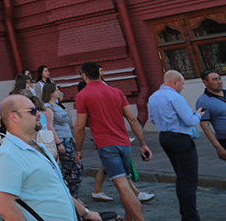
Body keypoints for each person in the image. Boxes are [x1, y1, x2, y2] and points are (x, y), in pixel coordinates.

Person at [0, 94, 104, 221]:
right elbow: (4, 206)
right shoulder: (8, 154)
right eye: (33, 111)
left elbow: (55, 186)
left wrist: (85, 213)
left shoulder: (38, 146)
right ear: (14, 117)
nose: (39, 114)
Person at [73, 61, 152, 221]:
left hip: (106, 144)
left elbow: (80, 126)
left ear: (84, 76)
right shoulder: (116, 91)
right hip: (124, 143)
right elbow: (132, 119)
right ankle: (127, 219)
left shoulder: (83, 95)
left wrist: (79, 149)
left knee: (123, 186)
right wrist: (143, 143)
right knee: (126, 183)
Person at [147, 69, 204, 221]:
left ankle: (185, 213)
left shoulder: (153, 97)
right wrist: (199, 114)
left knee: (181, 176)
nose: (183, 87)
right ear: (175, 81)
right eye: (182, 84)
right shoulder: (174, 97)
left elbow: (152, 119)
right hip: (180, 139)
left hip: (164, 137)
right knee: (189, 179)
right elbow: (190, 120)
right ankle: (190, 216)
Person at [41, 83, 82, 196]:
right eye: (56, 89)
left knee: (74, 167)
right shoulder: (48, 107)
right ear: (50, 92)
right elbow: (49, 126)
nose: (59, 91)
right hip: (61, 139)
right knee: (75, 167)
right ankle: (71, 194)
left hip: (68, 138)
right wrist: (59, 143)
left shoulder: (58, 105)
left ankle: (71, 194)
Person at [196, 69, 226, 162]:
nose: (219, 82)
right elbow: (205, 125)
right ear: (205, 82)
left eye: (219, 78)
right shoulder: (203, 101)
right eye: (214, 79)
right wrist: (218, 147)